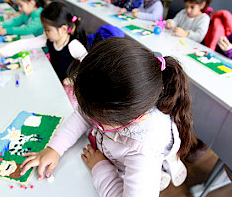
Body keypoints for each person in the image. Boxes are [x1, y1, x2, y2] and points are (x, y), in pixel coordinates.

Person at [19, 37, 197, 196]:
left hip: (123, 169)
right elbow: (82, 116)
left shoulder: (143, 152)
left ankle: (164, 171)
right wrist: (54, 148)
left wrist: (100, 167)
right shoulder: (112, 104)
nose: (87, 116)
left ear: (127, 120)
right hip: (112, 153)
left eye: (96, 119)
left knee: (146, 178)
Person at [0, 1, 87, 83]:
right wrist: (0, 53)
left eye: (48, 30)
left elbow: (88, 64)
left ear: (63, 29)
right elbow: (25, 44)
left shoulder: (74, 45)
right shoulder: (49, 39)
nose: (44, 33)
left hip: (68, 87)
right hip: (55, 80)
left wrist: (73, 78)